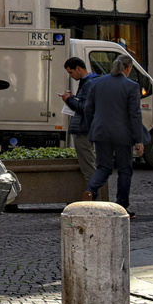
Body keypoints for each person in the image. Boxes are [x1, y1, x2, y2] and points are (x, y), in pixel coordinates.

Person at [82, 53, 149, 214]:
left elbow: (87, 108)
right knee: (125, 170)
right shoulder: (131, 86)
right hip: (122, 134)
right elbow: (134, 114)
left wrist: (92, 126)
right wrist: (138, 140)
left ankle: (91, 190)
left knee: (103, 167)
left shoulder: (97, 83)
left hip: (100, 131)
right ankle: (121, 206)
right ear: (129, 68)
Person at [59, 57, 104, 201]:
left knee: (88, 168)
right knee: (90, 165)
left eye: (71, 72)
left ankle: (95, 201)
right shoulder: (91, 82)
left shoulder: (89, 83)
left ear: (79, 68)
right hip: (87, 128)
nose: (70, 76)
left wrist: (69, 100)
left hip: (83, 129)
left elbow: (85, 108)